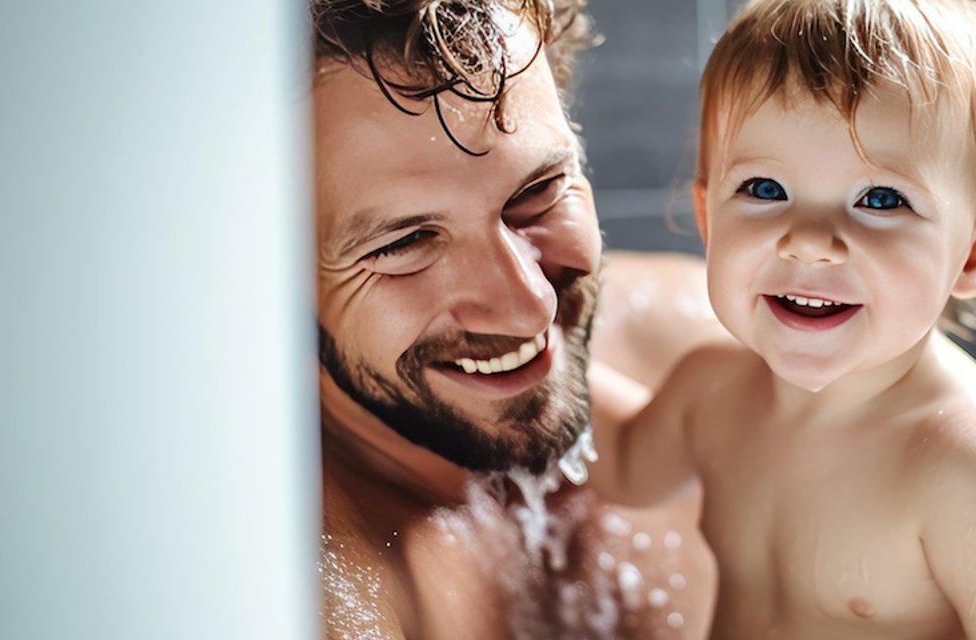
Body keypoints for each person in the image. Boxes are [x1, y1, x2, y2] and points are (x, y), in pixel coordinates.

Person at [585, 0, 976, 636]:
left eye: (880, 199)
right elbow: (626, 464)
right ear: (710, 217)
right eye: (765, 190)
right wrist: (532, 344)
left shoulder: (972, 473)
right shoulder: (708, 393)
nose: (809, 240)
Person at [310, 0, 725, 637]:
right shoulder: (306, 593)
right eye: (404, 244)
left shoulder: (715, 346)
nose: (530, 304)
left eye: (537, 193)